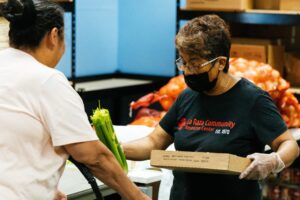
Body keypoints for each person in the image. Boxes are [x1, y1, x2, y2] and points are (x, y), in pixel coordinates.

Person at [123, 15, 299, 200]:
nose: (188, 71)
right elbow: (153, 142)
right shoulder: (186, 97)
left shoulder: (253, 100)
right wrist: (115, 148)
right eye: (184, 62)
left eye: (196, 64)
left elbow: (289, 145)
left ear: (221, 62)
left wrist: (273, 161)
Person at [0, 0, 150, 200]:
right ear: (54, 36)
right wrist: (138, 197)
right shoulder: (47, 80)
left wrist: (41, 186)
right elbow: (94, 157)